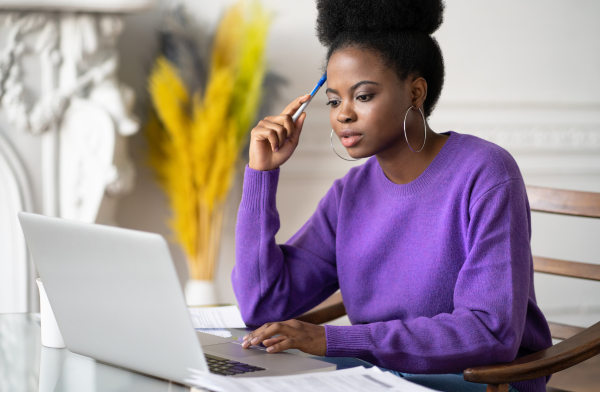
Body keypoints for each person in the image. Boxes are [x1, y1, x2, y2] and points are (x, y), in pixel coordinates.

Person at [231, 0, 552, 392]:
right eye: (334, 100)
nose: (343, 114)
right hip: (378, 378)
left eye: (362, 96)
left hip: (480, 380)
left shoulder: (486, 173)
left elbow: (489, 331)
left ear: (415, 92)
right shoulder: (350, 193)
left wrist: (333, 341)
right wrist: (261, 175)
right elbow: (262, 304)